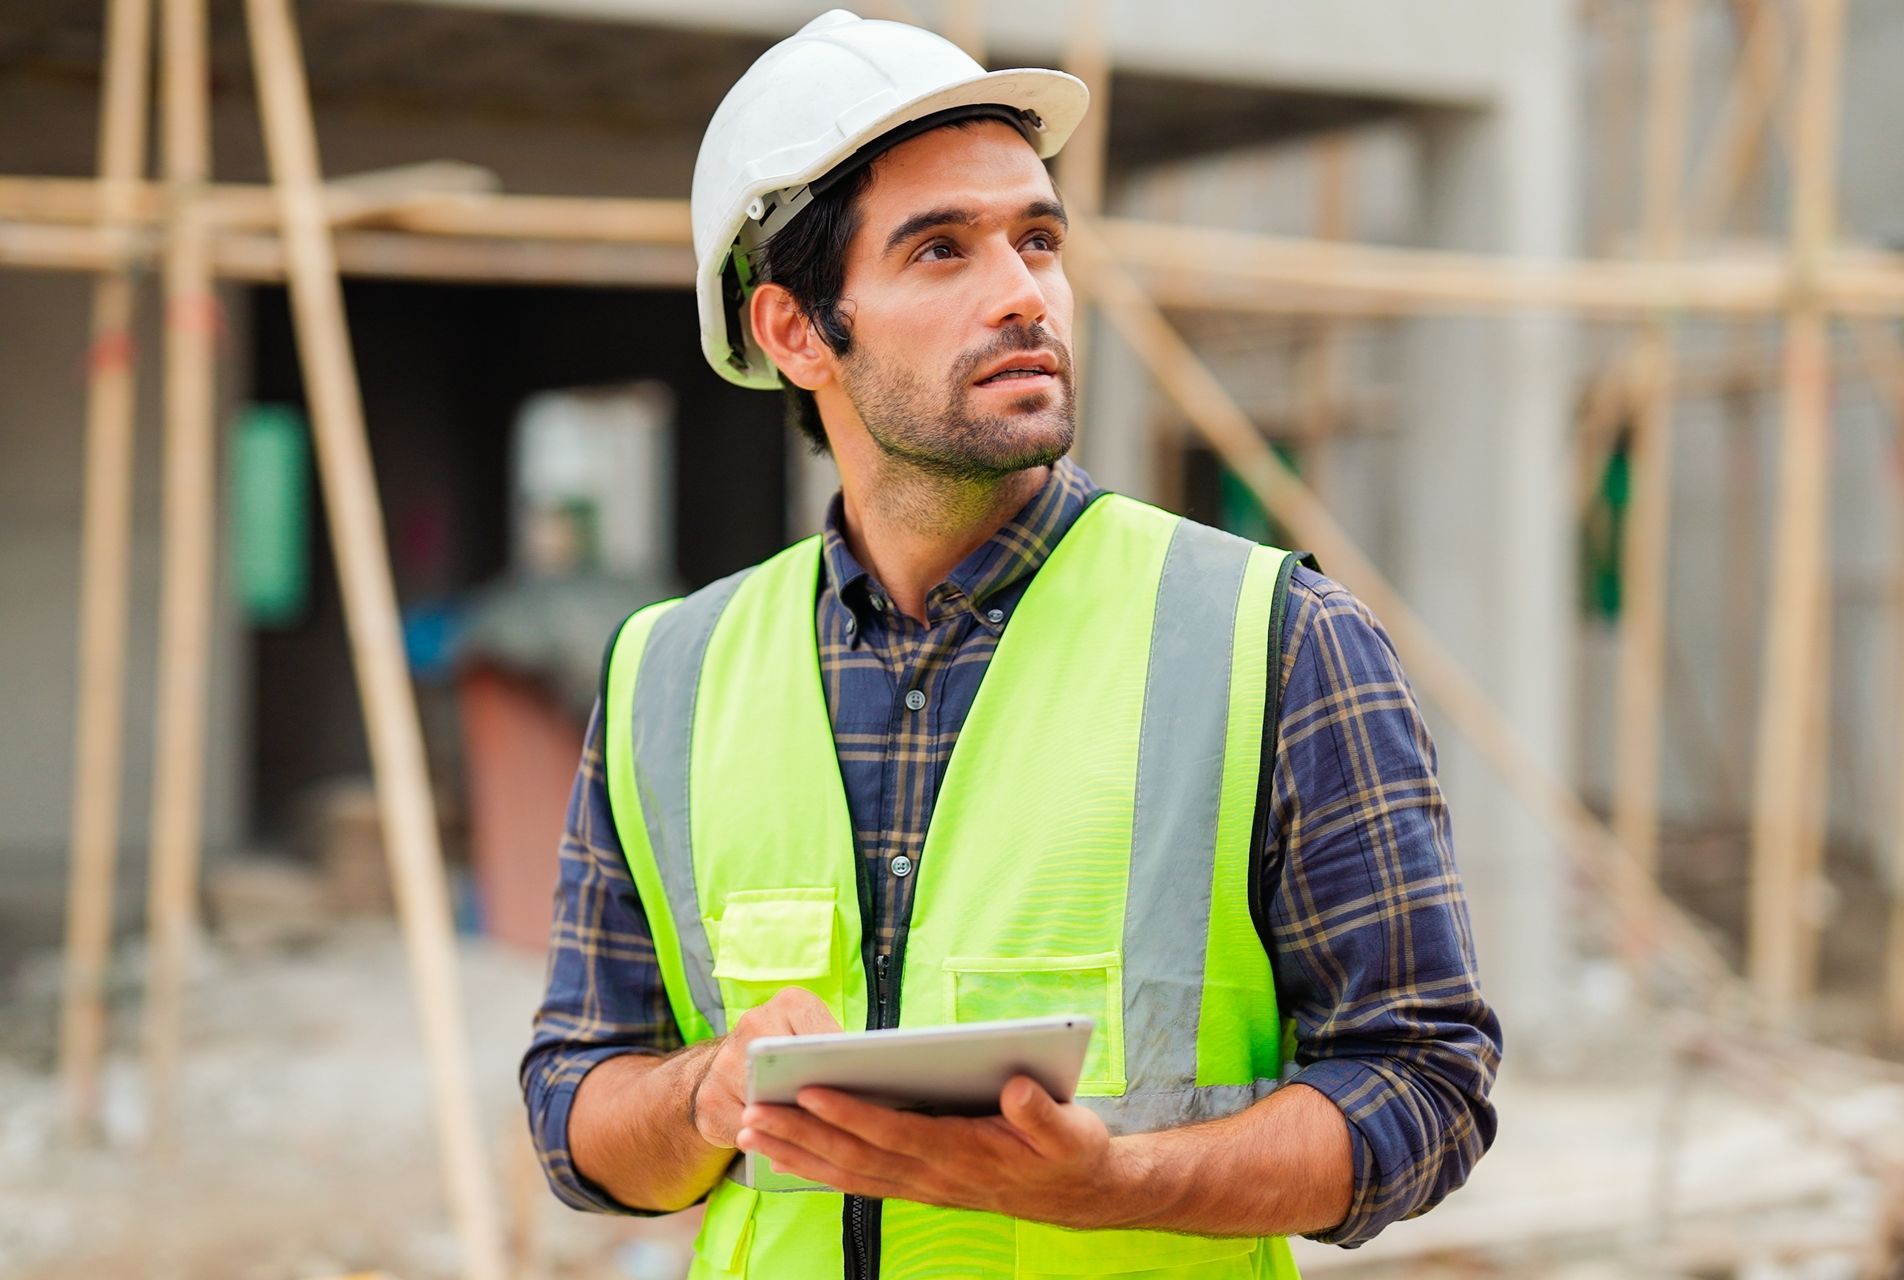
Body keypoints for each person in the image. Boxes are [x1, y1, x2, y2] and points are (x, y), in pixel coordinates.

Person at [522, 12, 1500, 1278]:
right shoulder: (667, 674)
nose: (1023, 292)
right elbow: (574, 1112)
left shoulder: (1276, 641)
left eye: (1038, 239)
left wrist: (1119, 1181)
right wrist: (705, 1093)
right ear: (797, 330)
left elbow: (1427, 1084)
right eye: (942, 250)